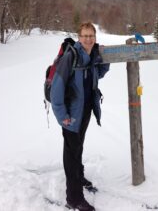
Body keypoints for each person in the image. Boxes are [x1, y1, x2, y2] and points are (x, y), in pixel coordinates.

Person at [50, 22, 110, 211]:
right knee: (71, 153)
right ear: (79, 37)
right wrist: (62, 116)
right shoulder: (71, 57)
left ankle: (79, 176)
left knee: (78, 147)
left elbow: (97, 74)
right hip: (71, 114)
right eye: (84, 36)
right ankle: (74, 198)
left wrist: (104, 59)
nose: (88, 39)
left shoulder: (91, 56)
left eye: (91, 36)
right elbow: (56, 89)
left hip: (85, 111)